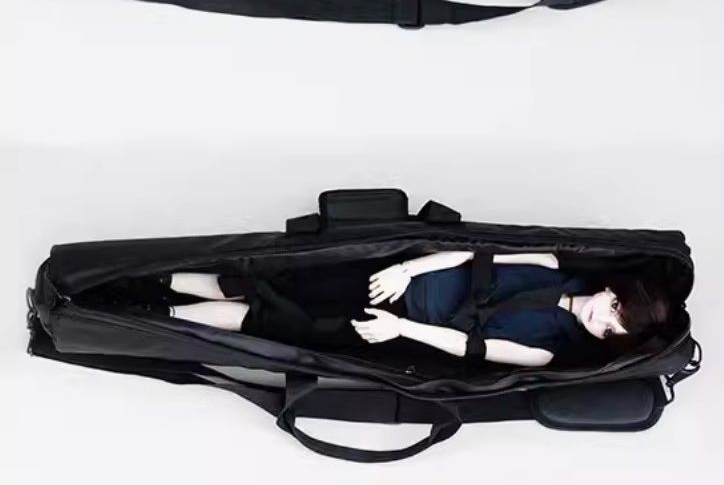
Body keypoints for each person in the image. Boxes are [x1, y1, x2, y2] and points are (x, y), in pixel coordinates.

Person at [131, 251, 669, 367]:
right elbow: (474, 254)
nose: (602, 319)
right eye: (613, 307)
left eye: (611, 329)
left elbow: (470, 346)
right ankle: (149, 281)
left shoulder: (549, 351)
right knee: (262, 283)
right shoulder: (551, 264)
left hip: (395, 327)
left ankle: (151, 319)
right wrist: (406, 270)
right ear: (611, 289)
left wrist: (399, 327)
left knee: (265, 316)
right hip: (391, 279)